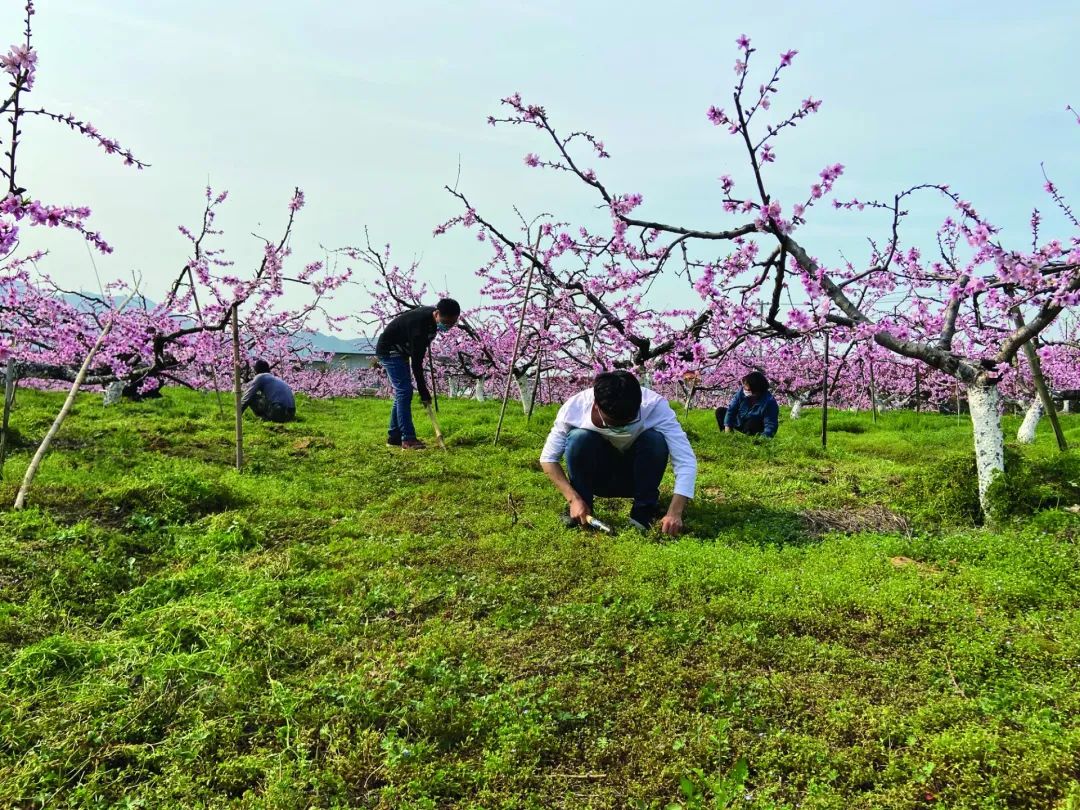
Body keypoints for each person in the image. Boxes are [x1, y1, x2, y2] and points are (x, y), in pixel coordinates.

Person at [540, 370, 697, 537]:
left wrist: (675, 512)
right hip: (598, 478)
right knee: (579, 438)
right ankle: (582, 509)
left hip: (636, 479)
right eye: (614, 424)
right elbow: (548, 459)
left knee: (655, 440)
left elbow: (685, 460)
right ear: (596, 405)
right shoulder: (575, 408)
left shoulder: (654, 406)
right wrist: (573, 499)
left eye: (628, 422)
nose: (621, 428)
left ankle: (643, 514)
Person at [374, 298, 460, 450]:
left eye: (452, 324)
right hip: (389, 350)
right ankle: (408, 439)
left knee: (403, 392)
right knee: (404, 391)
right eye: (446, 323)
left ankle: (394, 437)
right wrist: (423, 391)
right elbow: (417, 363)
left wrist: (423, 390)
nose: (448, 327)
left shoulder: (431, 321)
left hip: (402, 350)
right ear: (437, 314)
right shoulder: (419, 327)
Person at [716, 371, 779, 437]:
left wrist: (763, 438)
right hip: (740, 420)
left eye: (748, 389)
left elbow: (770, 425)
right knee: (720, 411)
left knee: (753, 421)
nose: (745, 390)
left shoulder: (769, 402)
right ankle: (728, 437)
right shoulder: (741, 392)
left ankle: (749, 439)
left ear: (756, 390)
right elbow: (731, 410)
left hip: (754, 425)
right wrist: (727, 426)